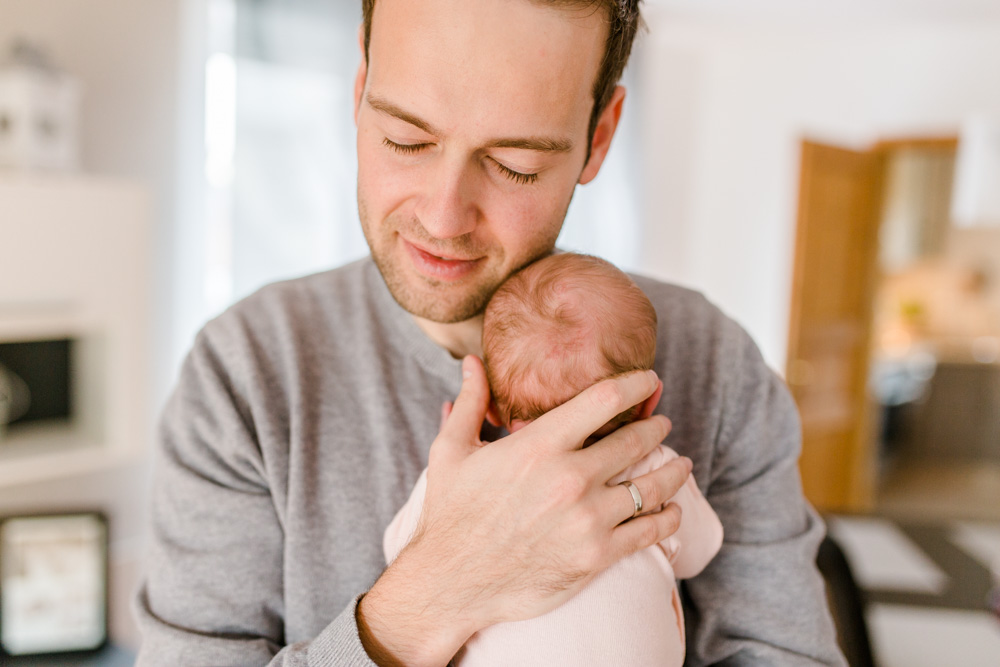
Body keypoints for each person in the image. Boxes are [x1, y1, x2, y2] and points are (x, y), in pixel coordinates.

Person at [134, 0, 846, 665]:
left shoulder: (717, 365)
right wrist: (444, 583)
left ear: (598, 138)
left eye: (515, 166)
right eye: (405, 138)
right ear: (360, 86)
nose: (443, 218)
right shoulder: (245, 374)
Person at [383, 252, 724, 665]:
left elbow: (398, 550)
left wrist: (439, 469)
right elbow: (701, 551)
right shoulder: (656, 471)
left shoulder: (461, 482)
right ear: (648, 401)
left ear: (488, 408)